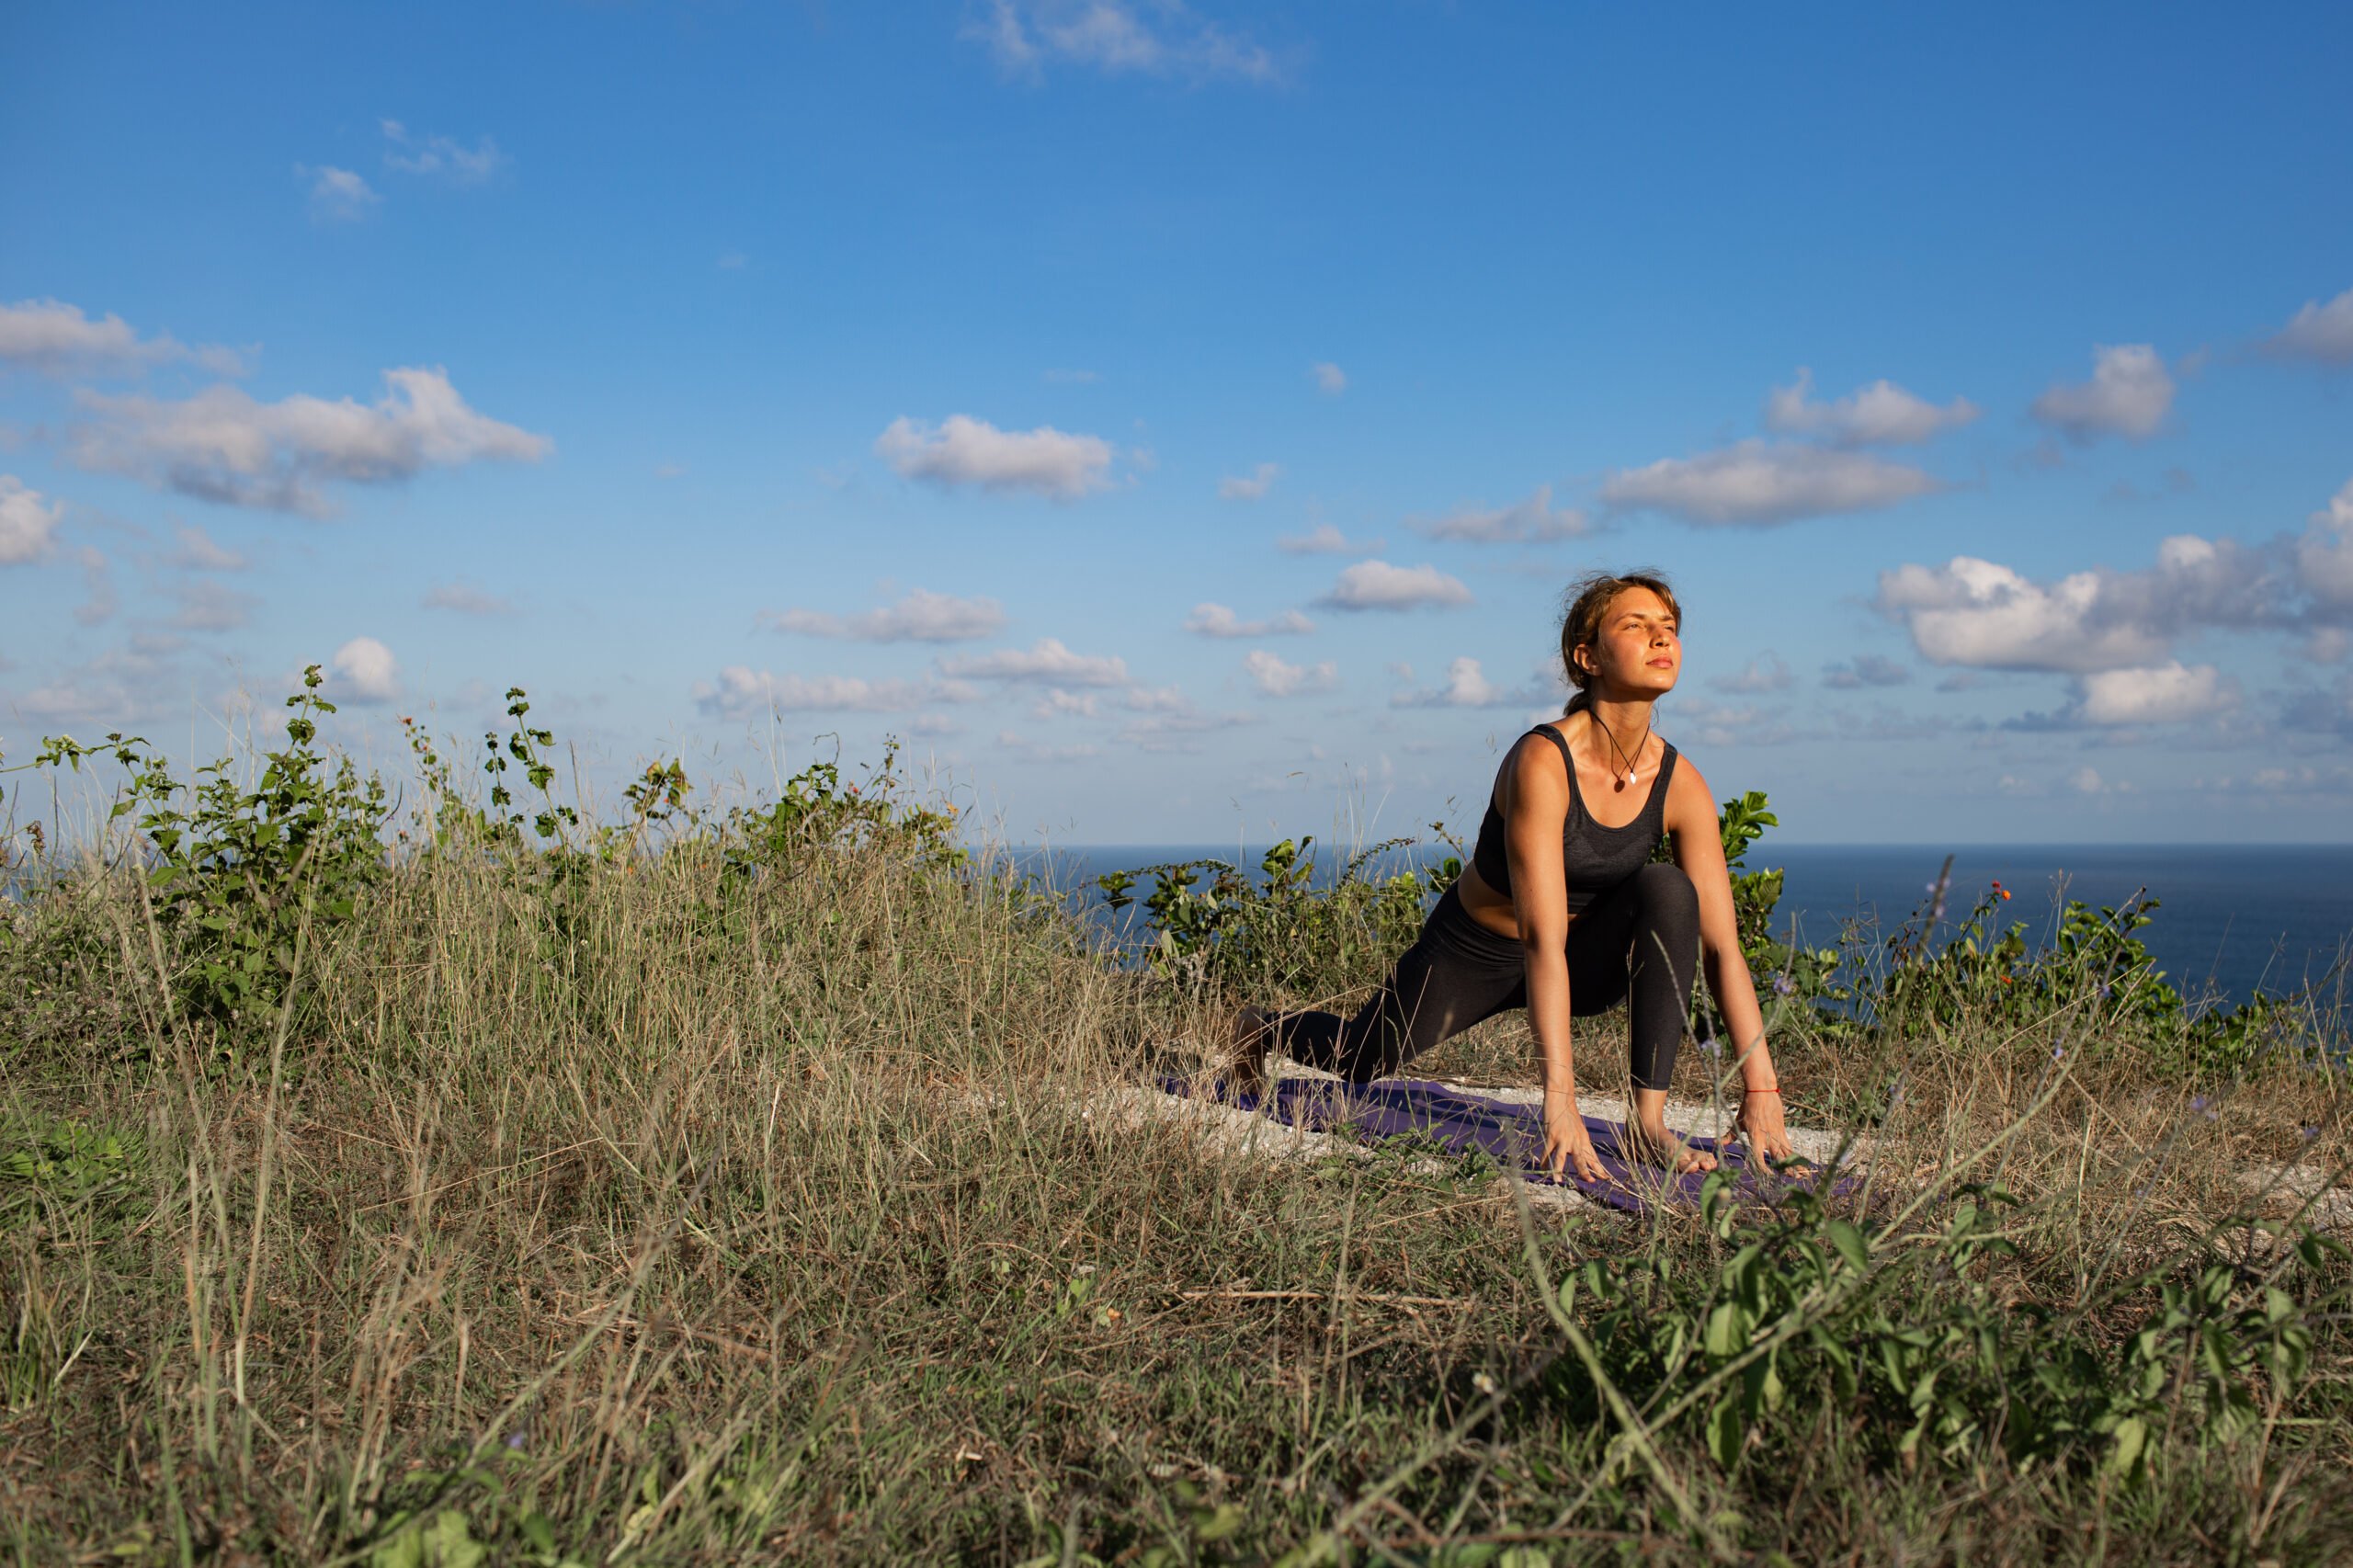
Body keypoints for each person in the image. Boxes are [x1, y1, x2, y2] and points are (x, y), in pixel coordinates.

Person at [1227, 570, 1796, 1180]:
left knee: (1670, 891)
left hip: (1583, 962)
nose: (1661, 640)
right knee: (1363, 1055)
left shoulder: (1681, 782)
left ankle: (1647, 1123)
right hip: (1476, 951)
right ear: (1588, 656)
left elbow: (1722, 947)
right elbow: (1538, 938)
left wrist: (1763, 1090)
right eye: (1635, 626)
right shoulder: (1543, 761)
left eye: (1670, 629)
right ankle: (1261, 1027)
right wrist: (1561, 1104)